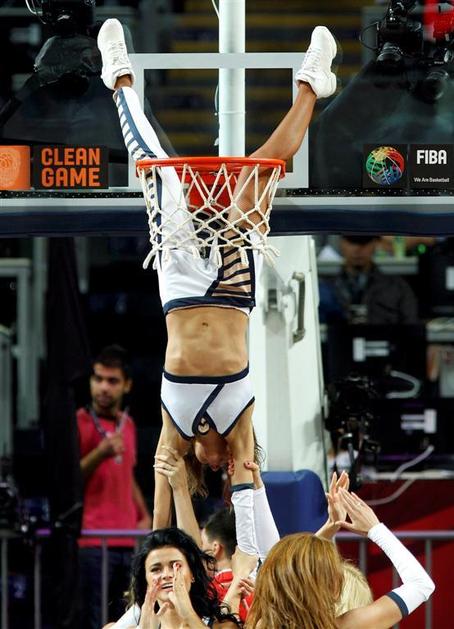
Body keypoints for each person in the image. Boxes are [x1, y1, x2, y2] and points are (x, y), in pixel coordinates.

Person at [96, 17, 338, 550]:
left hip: (180, 289)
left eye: (219, 469)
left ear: (202, 469)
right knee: (255, 178)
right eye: (231, 469)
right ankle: (311, 86)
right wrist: (244, 487)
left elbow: (160, 526)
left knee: (160, 173)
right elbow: (249, 490)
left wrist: (152, 567)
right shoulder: (242, 430)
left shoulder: (174, 435)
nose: (226, 464)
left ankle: (120, 80)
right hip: (231, 291)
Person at [245, 488, 435, 629]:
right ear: (331, 588)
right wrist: (376, 530)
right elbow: (421, 584)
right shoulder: (349, 625)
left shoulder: (259, 622)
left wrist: (332, 525)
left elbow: (289, 569)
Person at [77, 344, 151, 629]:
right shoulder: (79, 422)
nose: (104, 387)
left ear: (127, 385)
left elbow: (126, 474)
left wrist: (143, 514)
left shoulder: (127, 425)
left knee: (129, 620)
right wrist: (100, 453)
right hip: (93, 541)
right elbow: (68, 481)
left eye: (112, 380)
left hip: (129, 539)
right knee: (96, 619)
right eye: (98, 379)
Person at [103, 527, 246, 628]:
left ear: (192, 574)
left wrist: (188, 614)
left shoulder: (224, 626)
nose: (167, 575)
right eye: (156, 569)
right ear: (145, 580)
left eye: (176, 566)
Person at [319, 234, 419, 325]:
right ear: (341, 243)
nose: (357, 249)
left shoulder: (397, 288)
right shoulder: (325, 288)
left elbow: (411, 328)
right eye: (351, 242)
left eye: (364, 242)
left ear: (375, 244)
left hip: (384, 338)